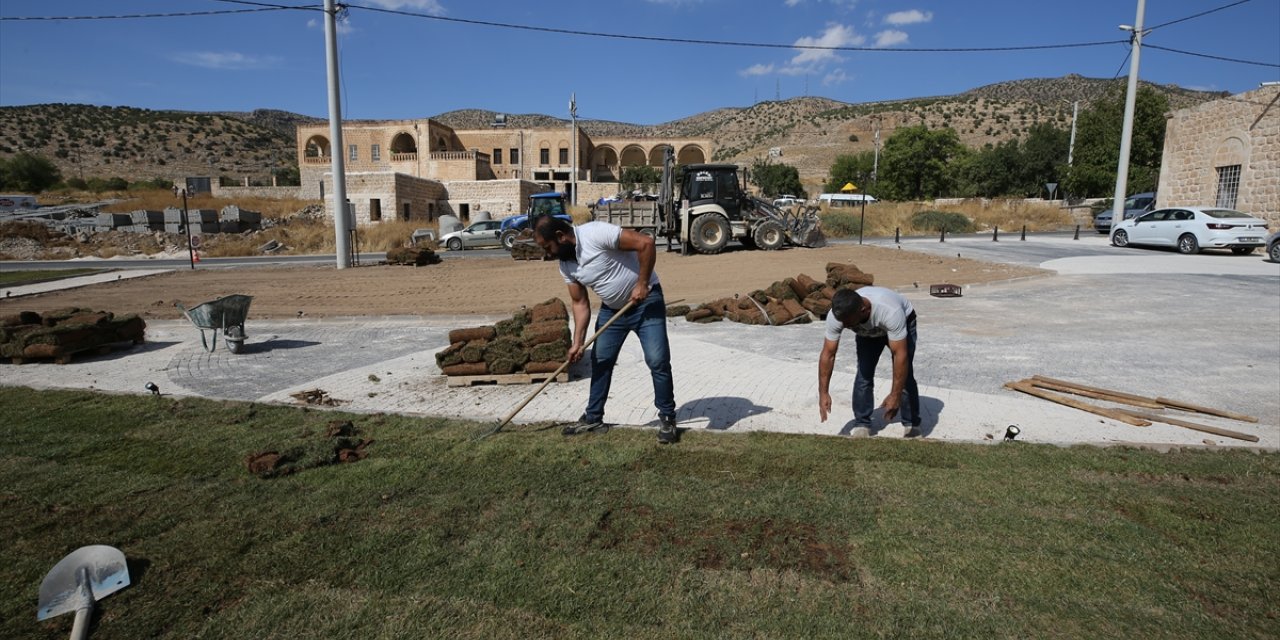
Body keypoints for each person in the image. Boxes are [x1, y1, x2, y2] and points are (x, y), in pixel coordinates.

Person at [533, 215, 679, 444]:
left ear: (561, 237)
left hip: (646, 302)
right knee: (601, 360)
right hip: (613, 311)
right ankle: (593, 416)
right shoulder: (566, 265)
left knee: (657, 359)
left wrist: (641, 284)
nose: (548, 254)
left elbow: (646, 243)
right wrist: (577, 342)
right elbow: (580, 304)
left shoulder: (595, 233)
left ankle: (668, 418)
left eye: (548, 247)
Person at [817, 287, 920, 437]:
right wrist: (823, 392)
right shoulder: (838, 315)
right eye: (842, 322)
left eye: (848, 323)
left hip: (901, 322)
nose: (844, 326)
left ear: (863, 310)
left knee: (905, 375)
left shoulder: (890, 312)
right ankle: (862, 423)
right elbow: (828, 354)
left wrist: (895, 395)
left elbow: (900, 356)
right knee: (864, 372)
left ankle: (911, 423)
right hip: (867, 331)